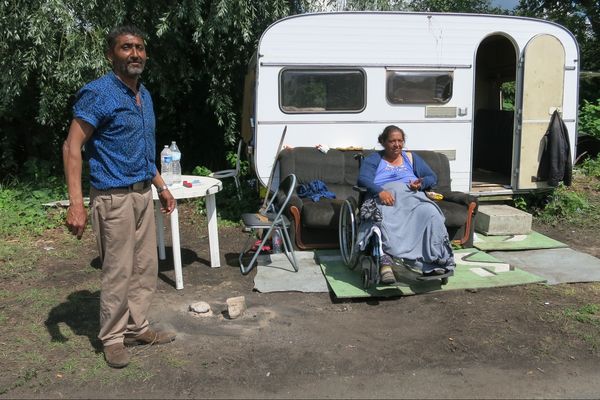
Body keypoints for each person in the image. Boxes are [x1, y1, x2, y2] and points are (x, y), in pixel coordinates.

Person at [63, 25, 177, 368]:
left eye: (140, 48)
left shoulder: (145, 94)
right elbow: (72, 147)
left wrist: (161, 184)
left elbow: (144, 150)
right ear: (111, 54)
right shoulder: (98, 93)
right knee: (118, 271)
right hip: (113, 199)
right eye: (127, 47)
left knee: (145, 267)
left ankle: (137, 326)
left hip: (143, 195)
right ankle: (112, 339)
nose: (135, 54)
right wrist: (76, 204)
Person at [357, 125, 455, 284]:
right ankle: (385, 262)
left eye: (400, 141)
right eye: (392, 141)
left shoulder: (411, 158)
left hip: (412, 198)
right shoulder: (374, 159)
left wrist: (421, 183)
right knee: (383, 218)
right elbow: (363, 179)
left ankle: (435, 261)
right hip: (386, 198)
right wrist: (379, 191)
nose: (397, 145)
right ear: (383, 142)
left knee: (431, 213)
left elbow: (431, 177)